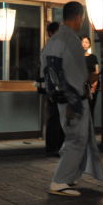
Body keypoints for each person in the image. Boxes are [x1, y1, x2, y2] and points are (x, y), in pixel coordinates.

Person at [41, 2, 103, 197]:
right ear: (79, 17)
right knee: (76, 139)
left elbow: (51, 72)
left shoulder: (54, 40)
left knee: (77, 138)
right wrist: (72, 100)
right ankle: (60, 181)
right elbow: (71, 74)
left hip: (61, 97)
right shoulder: (70, 39)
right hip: (72, 98)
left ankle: (70, 176)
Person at [38, 22, 65, 156]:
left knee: (55, 116)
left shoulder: (48, 47)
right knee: (56, 117)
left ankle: (54, 146)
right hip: (56, 86)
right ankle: (55, 146)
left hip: (52, 86)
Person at [81, 36, 99, 117]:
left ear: (89, 45)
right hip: (80, 86)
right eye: (83, 42)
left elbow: (96, 72)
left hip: (92, 85)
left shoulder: (93, 57)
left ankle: (90, 129)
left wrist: (94, 86)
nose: (84, 44)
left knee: (90, 108)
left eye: (86, 42)